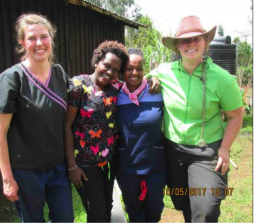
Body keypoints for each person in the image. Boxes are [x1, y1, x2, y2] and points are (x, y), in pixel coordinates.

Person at [145, 15, 243, 223]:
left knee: (205, 207)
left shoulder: (222, 78)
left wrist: (224, 149)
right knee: (184, 202)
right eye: (185, 40)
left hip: (206, 152)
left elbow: (235, 116)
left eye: (196, 38)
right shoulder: (164, 71)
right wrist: (153, 77)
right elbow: (145, 77)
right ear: (177, 47)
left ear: (205, 42)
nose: (191, 44)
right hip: (174, 151)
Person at [0, 13, 74, 223]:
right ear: (22, 42)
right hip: (26, 172)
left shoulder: (59, 74)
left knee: (65, 219)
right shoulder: (12, 79)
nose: (39, 43)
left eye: (44, 37)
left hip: (58, 168)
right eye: (31, 38)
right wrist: (7, 179)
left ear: (51, 39)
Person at [64, 40, 129, 223]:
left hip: (108, 162)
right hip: (84, 165)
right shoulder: (79, 86)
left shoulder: (115, 88)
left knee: (107, 207)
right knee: (97, 213)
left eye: (116, 70)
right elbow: (67, 126)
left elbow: (137, 84)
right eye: (106, 66)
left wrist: (153, 79)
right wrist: (72, 167)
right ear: (96, 62)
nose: (110, 72)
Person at [115, 48, 167, 223]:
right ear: (122, 70)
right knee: (134, 211)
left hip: (155, 164)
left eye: (139, 68)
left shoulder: (158, 91)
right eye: (129, 68)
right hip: (128, 165)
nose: (134, 73)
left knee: (155, 209)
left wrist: (156, 77)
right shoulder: (115, 94)